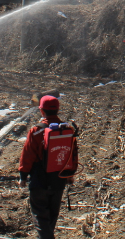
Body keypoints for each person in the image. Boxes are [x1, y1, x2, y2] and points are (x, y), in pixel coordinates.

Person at [19, 95, 79, 239]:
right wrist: (70, 175)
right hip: (59, 179)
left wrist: (23, 177)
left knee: (40, 217)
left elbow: (27, 156)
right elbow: (73, 155)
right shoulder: (68, 130)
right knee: (51, 217)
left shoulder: (36, 131)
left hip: (39, 180)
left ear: (41, 111)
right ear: (57, 110)